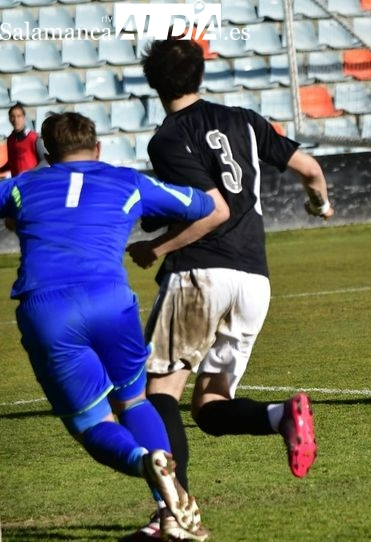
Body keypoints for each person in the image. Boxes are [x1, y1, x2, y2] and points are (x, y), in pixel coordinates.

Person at [124, 37, 333, 540]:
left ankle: (172, 514)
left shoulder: (168, 138)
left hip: (200, 272)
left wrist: (156, 247)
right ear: (200, 74)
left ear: (153, 84)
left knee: (159, 394)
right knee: (211, 407)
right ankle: (283, 416)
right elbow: (310, 169)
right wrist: (319, 204)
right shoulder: (244, 118)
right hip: (253, 279)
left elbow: (212, 209)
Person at [0, 112, 216, 540]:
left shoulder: (23, 186)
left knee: (91, 424)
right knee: (135, 403)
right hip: (110, 301)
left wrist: (16, 217)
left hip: (48, 309)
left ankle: (143, 464)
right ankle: (170, 512)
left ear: (45, 153)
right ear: (97, 148)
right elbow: (203, 204)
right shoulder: (128, 181)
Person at [0, 103, 46, 178]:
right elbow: (12, 163)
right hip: (17, 183)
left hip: (32, 181)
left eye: (19, 116)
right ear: (9, 119)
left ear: (24, 118)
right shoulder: (10, 140)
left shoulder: (34, 138)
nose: (15, 120)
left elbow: (45, 160)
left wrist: (31, 172)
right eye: (12, 116)